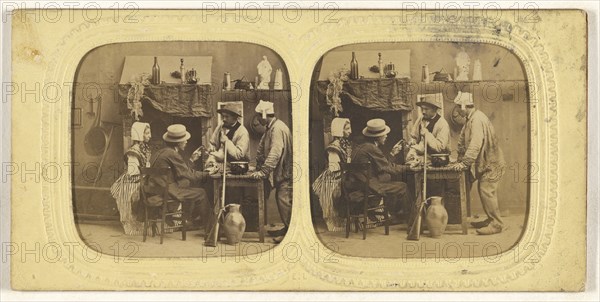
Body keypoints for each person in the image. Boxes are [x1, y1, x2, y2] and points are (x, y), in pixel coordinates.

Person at [448, 92, 506, 235]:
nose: (456, 110)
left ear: (463, 106)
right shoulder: (470, 119)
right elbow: (463, 142)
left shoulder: (477, 120)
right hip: (486, 163)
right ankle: (490, 219)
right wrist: (458, 159)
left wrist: (464, 163)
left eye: (458, 107)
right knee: (484, 190)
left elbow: (475, 144)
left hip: (492, 163)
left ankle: (497, 224)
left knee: (486, 191)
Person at [146, 124, 213, 233]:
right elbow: (188, 173)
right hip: (165, 192)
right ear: (178, 143)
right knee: (201, 192)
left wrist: (191, 160)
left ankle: (187, 220)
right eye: (185, 140)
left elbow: (181, 173)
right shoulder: (172, 154)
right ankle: (211, 229)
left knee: (186, 182)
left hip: (155, 190)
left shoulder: (160, 152)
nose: (186, 142)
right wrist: (208, 174)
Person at [349, 119, 410, 223]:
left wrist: (392, 153)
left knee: (388, 177)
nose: (386, 136)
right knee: (403, 187)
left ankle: (391, 215)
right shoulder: (372, 148)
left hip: (357, 184)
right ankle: (409, 220)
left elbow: (381, 165)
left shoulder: (361, 146)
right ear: (377, 137)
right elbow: (388, 167)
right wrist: (409, 167)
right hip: (367, 187)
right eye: (384, 134)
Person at [250, 100, 293, 244]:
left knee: (284, 201)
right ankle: (288, 228)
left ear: (264, 115)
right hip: (281, 173)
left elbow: (275, 153)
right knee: (282, 200)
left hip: (286, 173)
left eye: (258, 116)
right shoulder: (271, 128)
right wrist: (258, 166)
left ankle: (290, 233)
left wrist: (263, 172)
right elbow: (262, 149)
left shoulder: (277, 129)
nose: (257, 119)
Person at [110, 122, 152, 235]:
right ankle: (135, 226)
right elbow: (133, 172)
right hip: (132, 181)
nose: (150, 136)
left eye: (149, 133)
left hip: (141, 178)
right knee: (134, 197)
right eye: (147, 133)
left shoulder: (144, 149)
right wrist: (147, 170)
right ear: (139, 136)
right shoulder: (133, 152)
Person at [312, 118, 352, 232]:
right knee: (331, 200)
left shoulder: (344, 144)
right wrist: (349, 159)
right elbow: (334, 168)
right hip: (332, 178)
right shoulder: (333, 148)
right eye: (347, 129)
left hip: (341, 175)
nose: (350, 131)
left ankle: (342, 222)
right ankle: (332, 225)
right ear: (340, 130)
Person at [204, 103, 250, 170]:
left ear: (235, 117)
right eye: (223, 116)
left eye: (227, 116)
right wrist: (212, 148)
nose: (224, 119)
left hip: (237, 168)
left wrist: (226, 142)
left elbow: (239, 155)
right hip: (220, 166)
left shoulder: (242, 132)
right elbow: (212, 143)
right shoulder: (220, 126)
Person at [408, 93, 451, 158]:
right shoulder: (420, 119)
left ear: (434, 109)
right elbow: (415, 136)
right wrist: (413, 142)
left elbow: (440, 148)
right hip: (423, 158)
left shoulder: (442, 124)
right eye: (422, 109)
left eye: (426, 109)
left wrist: (427, 134)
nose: (423, 112)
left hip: (438, 159)